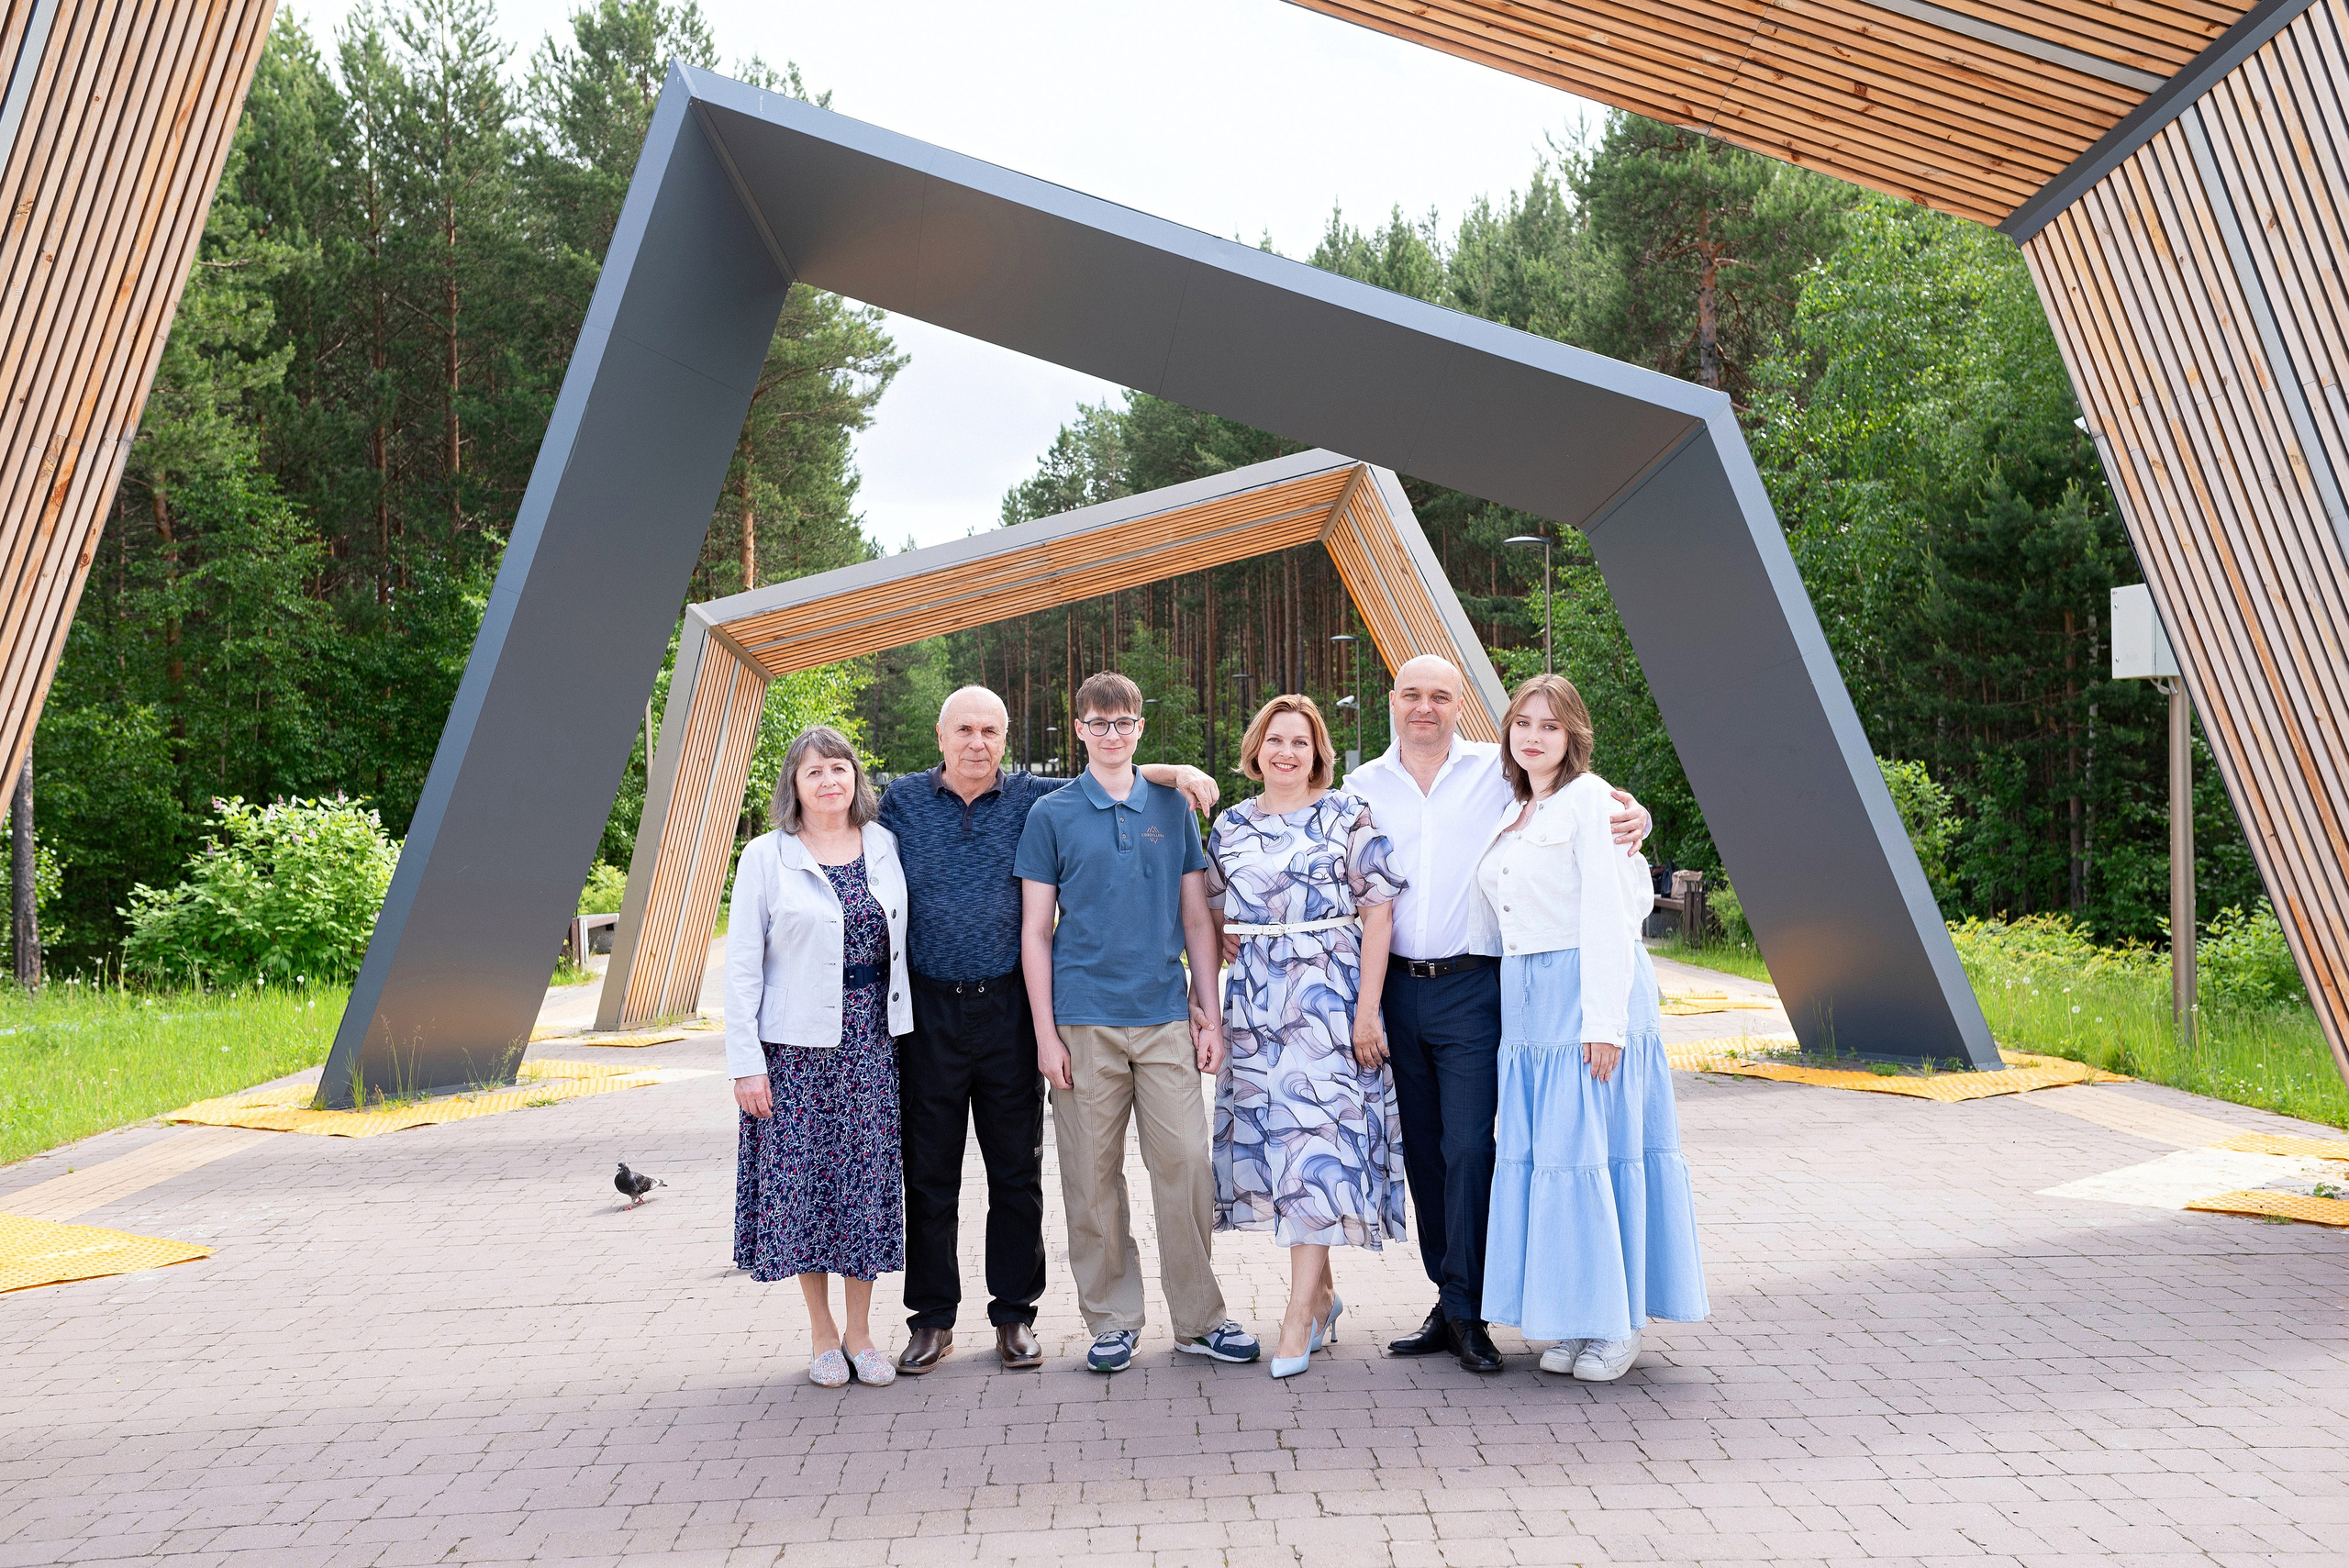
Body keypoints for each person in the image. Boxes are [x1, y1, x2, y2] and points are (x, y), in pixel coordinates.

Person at [876, 686, 1218, 1374]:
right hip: (929, 1010)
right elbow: (838, 826)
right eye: (964, 730)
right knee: (930, 1171)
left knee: (1017, 1171)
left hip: (1007, 1006)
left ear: (1006, 739)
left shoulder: (1032, 797)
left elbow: (1112, 771)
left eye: (990, 731)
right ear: (941, 736)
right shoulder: (902, 801)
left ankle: (1014, 1315)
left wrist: (1174, 772)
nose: (977, 743)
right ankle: (932, 1319)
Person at [1342, 655, 1649, 1373]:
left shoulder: (1498, 770)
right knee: (1423, 1150)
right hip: (1398, 988)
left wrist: (1633, 812)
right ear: (1393, 700)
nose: (1425, 707)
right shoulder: (1361, 787)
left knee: (1470, 1148)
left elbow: (1580, 798)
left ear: (1461, 705)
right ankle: (1448, 1296)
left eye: (1440, 695)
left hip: (1474, 987)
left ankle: (1469, 1306)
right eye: (1412, 694)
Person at [1016, 671, 1261, 1374]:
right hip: (1082, 1020)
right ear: (1079, 729)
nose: (1112, 733)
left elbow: (1196, 918)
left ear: (1140, 728)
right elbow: (1035, 931)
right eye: (1099, 722)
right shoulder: (1052, 814)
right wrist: (1044, 1034)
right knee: (1091, 1177)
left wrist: (1209, 1014)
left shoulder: (1171, 807)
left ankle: (1200, 1319)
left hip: (1163, 1015)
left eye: (1124, 721)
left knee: (1185, 1163)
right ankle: (1112, 1320)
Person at [1476, 673, 1708, 1382]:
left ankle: (1617, 1322)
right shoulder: (1517, 808)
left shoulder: (1589, 799)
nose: (1533, 736)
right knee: (1559, 1160)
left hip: (1586, 994)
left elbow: (1611, 912)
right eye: (1523, 722)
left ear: (1573, 735)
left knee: (1598, 1156)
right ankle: (1578, 1317)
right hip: (1530, 1006)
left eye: (1549, 725)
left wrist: (1604, 1023)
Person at [1205, 695, 1407, 1379]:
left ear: (1319, 751)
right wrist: (1224, 942)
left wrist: (1368, 1010)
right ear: (1256, 749)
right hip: (1256, 1009)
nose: (1286, 752)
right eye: (1275, 740)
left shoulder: (1348, 815)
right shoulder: (1231, 825)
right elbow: (1208, 907)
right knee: (1279, 1151)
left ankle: (1296, 1316)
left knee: (1316, 1146)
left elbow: (1379, 913)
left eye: (1300, 741)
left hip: (1329, 1001)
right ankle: (1322, 1296)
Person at [727, 726, 910, 1389]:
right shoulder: (765, 856)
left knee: (865, 1186)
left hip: (871, 1043)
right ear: (795, 785)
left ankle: (862, 1331)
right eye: (814, 772)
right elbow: (742, 966)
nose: (830, 781)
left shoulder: (884, 844)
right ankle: (822, 1332)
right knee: (805, 1188)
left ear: (856, 777)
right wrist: (746, 1063)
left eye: (839, 768)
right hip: (794, 1051)